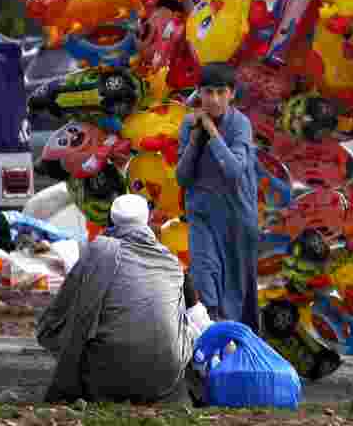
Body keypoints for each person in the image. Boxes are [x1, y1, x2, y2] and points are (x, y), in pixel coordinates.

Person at [36, 194, 194, 403]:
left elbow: (61, 308)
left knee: (70, 321)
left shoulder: (99, 250)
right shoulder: (170, 261)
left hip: (106, 376)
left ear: (112, 219)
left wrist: (51, 330)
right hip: (165, 380)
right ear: (146, 220)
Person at [176, 62, 260, 332]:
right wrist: (195, 138)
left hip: (236, 218)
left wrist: (212, 132)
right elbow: (182, 177)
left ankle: (240, 351)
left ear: (231, 94)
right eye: (207, 92)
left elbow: (234, 171)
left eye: (220, 92)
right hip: (202, 214)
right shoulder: (190, 125)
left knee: (236, 294)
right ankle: (210, 350)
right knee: (204, 281)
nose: (213, 99)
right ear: (199, 93)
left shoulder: (240, 125)